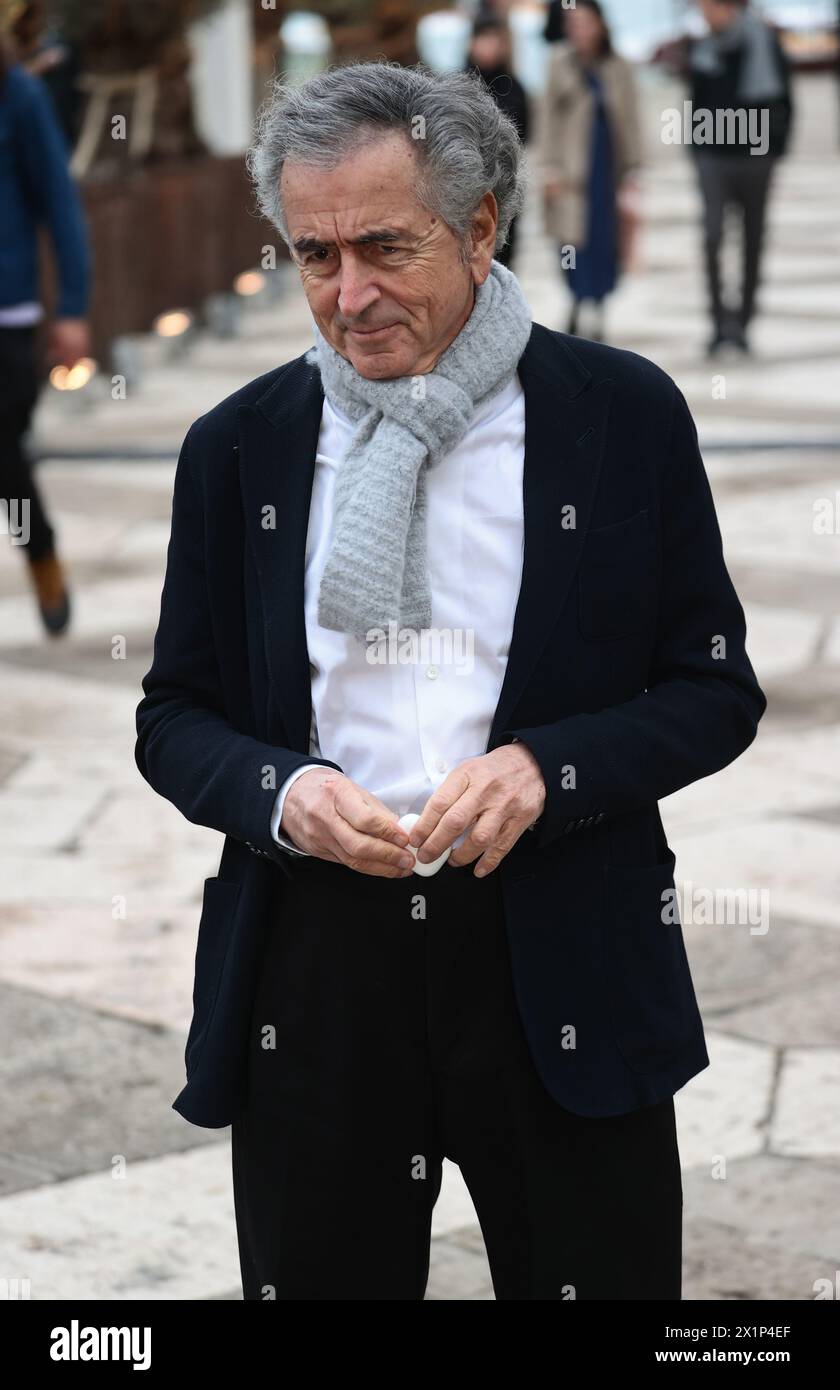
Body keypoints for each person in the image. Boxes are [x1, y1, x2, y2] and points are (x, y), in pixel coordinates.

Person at [135, 61, 766, 1301]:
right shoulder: (239, 447)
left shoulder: (622, 416)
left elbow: (713, 688)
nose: (349, 296)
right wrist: (279, 791)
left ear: (482, 227)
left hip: (565, 947)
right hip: (315, 973)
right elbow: (174, 716)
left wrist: (549, 767)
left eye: (384, 246)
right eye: (314, 257)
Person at [0, 23, 91, 634]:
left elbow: (60, 203)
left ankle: (40, 554)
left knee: (3, 459)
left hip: (9, 314)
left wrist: (73, 308)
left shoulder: (19, 97)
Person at [689, 0, 793, 356]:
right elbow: (696, 101)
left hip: (755, 160)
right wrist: (696, 149)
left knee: (752, 238)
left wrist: (775, 150)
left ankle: (743, 323)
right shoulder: (702, 47)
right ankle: (719, 323)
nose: (702, 11)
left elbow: (785, 100)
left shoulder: (764, 41)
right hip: (714, 158)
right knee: (713, 237)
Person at [538, 0, 642, 340]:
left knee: (603, 242)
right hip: (570, 171)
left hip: (606, 168)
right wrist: (549, 167)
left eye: (585, 22)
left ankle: (597, 305)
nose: (579, 29)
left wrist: (633, 171)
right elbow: (547, 119)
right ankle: (576, 299)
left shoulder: (618, 66)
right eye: (574, 23)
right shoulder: (558, 62)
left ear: (600, 24)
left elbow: (630, 120)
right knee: (570, 242)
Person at [464, 10, 530, 270]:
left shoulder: (515, 88)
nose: (488, 46)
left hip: (506, 187)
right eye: (483, 38)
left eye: (495, 39)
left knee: (503, 260)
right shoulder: (455, 87)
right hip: (463, 188)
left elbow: (525, 137)